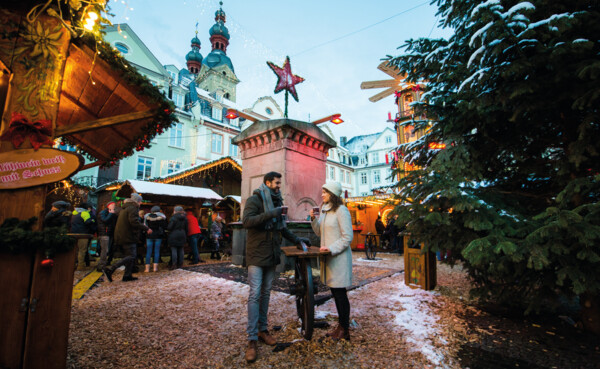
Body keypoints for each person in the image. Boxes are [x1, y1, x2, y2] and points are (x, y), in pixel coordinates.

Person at [242, 171, 310, 363]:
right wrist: (270, 214)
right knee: (255, 294)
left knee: (265, 294)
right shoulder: (255, 199)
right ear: (267, 182)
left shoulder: (278, 201)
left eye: (280, 183)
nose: (279, 186)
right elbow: (247, 222)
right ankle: (252, 339)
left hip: (271, 255)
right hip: (256, 254)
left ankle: (263, 330)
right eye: (276, 183)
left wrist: (296, 239)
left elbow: (282, 227)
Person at [310, 181, 353, 341]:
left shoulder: (342, 211)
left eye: (325, 192)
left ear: (333, 194)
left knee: (340, 293)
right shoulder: (325, 210)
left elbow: (347, 236)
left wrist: (331, 249)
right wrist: (313, 219)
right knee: (336, 292)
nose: (322, 195)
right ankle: (341, 327)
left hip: (339, 259)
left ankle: (344, 329)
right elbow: (319, 232)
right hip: (329, 258)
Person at [102, 193, 151, 282]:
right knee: (132, 256)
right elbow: (134, 222)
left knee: (128, 256)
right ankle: (111, 269)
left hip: (122, 235)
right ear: (137, 201)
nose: (140, 203)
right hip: (128, 235)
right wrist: (146, 228)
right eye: (140, 201)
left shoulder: (125, 208)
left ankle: (127, 275)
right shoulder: (133, 208)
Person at [70, 202, 96, 269]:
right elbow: (87, 222)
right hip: (83, 234)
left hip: (73, 234)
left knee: (75, 251)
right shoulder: (84, 213)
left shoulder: (74, 213)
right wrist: (92, 221)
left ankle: (73, 265)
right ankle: (80, 266)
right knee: (82, 250)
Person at [144, 206, 167, 272]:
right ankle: (155, 268)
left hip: (149, 235)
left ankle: (147, 268)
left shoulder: (147, 217)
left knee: (148, 252)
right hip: (158, 236)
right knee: (157, 251)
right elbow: (164, 226)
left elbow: (145, 225)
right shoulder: (162, 217)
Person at [97, 202, 118, 271]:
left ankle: (104, 263)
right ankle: (101, 266)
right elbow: (105, 220)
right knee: (104, 250)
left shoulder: (111, 213)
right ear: (109, 206)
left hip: (109, 233)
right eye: (113, 205)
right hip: (104, 233)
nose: (114, 206)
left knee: (107, 249)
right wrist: (111, 214)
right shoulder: (103, 213)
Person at [168, 206, 188, 270]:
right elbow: (186, 228)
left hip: (174, 234)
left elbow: (170, 227)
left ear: (175, 211)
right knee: (181, 249)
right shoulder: (185, 218)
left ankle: (174, 264)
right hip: (182, 234)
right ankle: (181, 264)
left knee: (174, 249)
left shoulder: (173, 218)